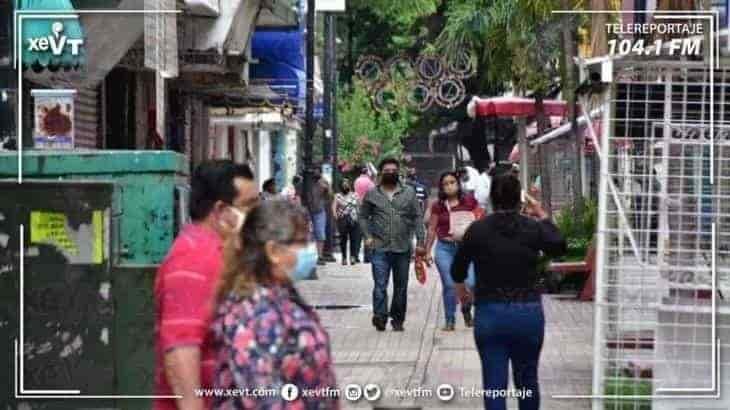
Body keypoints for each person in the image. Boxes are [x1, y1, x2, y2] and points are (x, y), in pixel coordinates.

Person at [451, 173, 566, 410]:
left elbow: (457, 270)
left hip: (490, 314)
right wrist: (542, 214)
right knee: (528, 381)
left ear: (492, 197)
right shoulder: (532, 228)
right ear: (520, 199)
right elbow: (559, 245)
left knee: (494, 384)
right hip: (528, 312)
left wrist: (463, 292)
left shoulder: (478, 230)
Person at [212, 200, 339, 409]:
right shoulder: (254, 316)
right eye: (300, 242)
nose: (309, 248)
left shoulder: (284, 297)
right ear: (273, 251)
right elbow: (264, 398)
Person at [153, 160, 259, 410]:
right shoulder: (193, 259)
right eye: (249, 206)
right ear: (222, 211)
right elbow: (181, 350)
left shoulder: (222, 254)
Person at [359, 158, 426, 332]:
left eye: (393, 170)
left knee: (400, 287)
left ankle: (397, 319)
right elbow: (363, 216)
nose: (390, 172)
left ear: (398, 172)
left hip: (402, 247)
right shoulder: (372, 194)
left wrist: (421, 241)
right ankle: (380, 317)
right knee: (380, 285)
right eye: (386, 170)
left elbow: (417, 217)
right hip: (379, 247)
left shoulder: (409, 193)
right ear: (381, 173)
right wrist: (367, 236)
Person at [425, 171, 482, 331]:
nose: (449, 186)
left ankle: (466, 307)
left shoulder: (470, 202)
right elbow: (431, 228)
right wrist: (427, 251)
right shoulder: (438, 205)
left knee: (471, 283)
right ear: (442, 187)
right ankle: (450, 320)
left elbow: (480, 220)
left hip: (467, 248)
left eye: (452, 182)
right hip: (445, 249)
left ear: (458, 184)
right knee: (450, 285)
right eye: (446, 184)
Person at [307, 169, 332, 265]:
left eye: (318, 171)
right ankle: (309, 256)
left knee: (320, 233)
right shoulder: (307, 181)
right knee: (308, 233)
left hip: (320, 210)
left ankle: (320, 256)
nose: (316, 173)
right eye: (314, 171)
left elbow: (330, 196)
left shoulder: (324, 182)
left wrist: (326, 188)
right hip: (308, 210)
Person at [332, 178, 361, 265]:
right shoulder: (337, 196)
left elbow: (359, 206)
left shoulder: (355, 195)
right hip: (343, 220)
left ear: (350, 185)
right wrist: (336, 216)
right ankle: (344, 258)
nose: (345, 186)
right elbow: (334, 207)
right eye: (343, 184)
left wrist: (360, 217)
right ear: (341, 186)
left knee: (354, 239)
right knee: (343, 240)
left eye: (347, 184)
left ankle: (352, 257)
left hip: (354, 219)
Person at [353, 167, 375, 263]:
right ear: (367, 173)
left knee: (357, 235)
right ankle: (367, 257)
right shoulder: (370, 183)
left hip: (358, 209)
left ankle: (356, 256)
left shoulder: (356, 181)